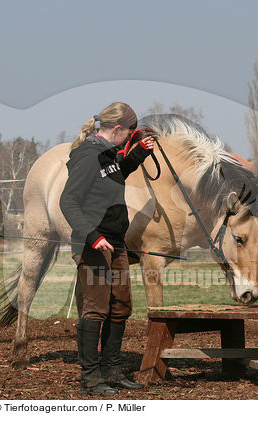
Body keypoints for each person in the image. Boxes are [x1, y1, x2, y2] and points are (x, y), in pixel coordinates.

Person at [59, 102, 156, 395]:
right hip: (95, 245)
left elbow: (115, 177)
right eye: (127, 135)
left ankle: (112, 369)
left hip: (116, 243)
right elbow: (68, 201)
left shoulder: (108, 155)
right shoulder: (87, 156)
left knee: (121, 307)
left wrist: (139, 153)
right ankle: (90, 378)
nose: (128, 139)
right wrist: (92, 236)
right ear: (116, 129)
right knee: (96, 310)